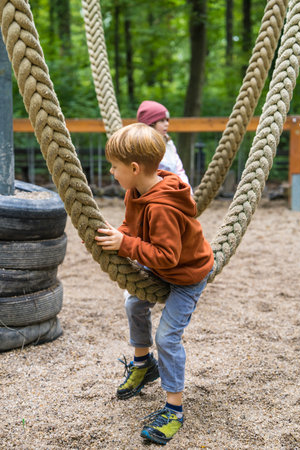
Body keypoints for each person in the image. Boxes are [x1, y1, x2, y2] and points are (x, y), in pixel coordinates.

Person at [95, 123, 214, 445]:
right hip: (163, 268)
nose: (111, 171)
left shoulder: (162, 207)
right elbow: (130, 226)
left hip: (187, 275)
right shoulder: (135, 190)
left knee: (168, 338)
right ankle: (143, 364)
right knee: (133, 302)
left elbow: (167, 257)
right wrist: (115, 237)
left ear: (134, 168)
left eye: (115, 167)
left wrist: (123, 244)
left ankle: (174, 409)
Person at [137, 100, 191, 186]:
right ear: (150, 124)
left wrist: (187, 189)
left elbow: (179, 170)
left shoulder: (168, 143)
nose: (167, 124)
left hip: (176, 189)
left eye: (167, 120)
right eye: (162, 121)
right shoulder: (141, 147)